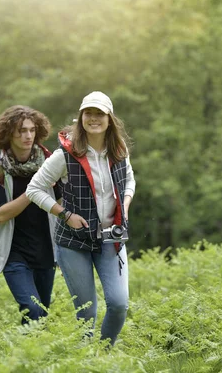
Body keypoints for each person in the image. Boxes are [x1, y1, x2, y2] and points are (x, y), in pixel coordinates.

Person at [26, 91, 135, 346]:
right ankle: (86, 362)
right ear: (81, 117)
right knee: (86, 313)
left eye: (100, 114)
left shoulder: (119, 150)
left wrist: (126, 203)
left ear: (110, 119)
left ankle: (104, 353)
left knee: (119, 304)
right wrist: (64, 214)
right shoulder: (63, 155)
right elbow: (34, 189)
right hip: (73, 242)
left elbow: (129, 179)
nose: (93, 118)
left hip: (111, 238)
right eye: (89, 113)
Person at [0, 105, 60, 325]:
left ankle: (27, 357)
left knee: (40, 317)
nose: (28, 136)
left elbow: (63, 202)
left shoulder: (51, 164)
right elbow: (0, 215)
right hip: (13, 252)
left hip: (46, 251)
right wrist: (34, 189)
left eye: (31, 130)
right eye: (21, 131)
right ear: (9, 134)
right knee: (32, 308)